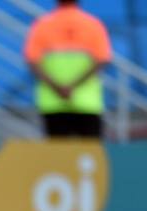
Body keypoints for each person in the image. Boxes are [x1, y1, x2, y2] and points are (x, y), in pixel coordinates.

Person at [24, 0, 112, 138]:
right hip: (87, 101)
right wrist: (73, 87)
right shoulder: (93, 24)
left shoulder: (43, 24)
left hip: (53, 101)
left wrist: (58, 88)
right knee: (89, 150)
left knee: (58, 151)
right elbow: (102, 60)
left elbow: (32, 61)